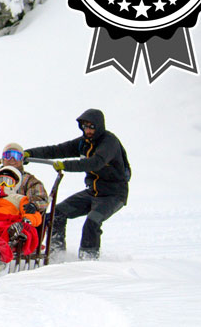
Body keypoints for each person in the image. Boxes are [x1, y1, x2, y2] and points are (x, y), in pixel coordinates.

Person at [24, 108, 130, 260]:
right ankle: (57, 254)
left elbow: (95, 163)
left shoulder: (109, 142)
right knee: (58, 213)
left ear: (99, 126)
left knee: (92, 222)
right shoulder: (83, 143)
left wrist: (65, 165)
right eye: (85, 126)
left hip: (113, 195)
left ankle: (88, 260)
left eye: (91, 127)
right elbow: (57, 150)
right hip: (93, 192)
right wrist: (29, 153)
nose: (88, 130)